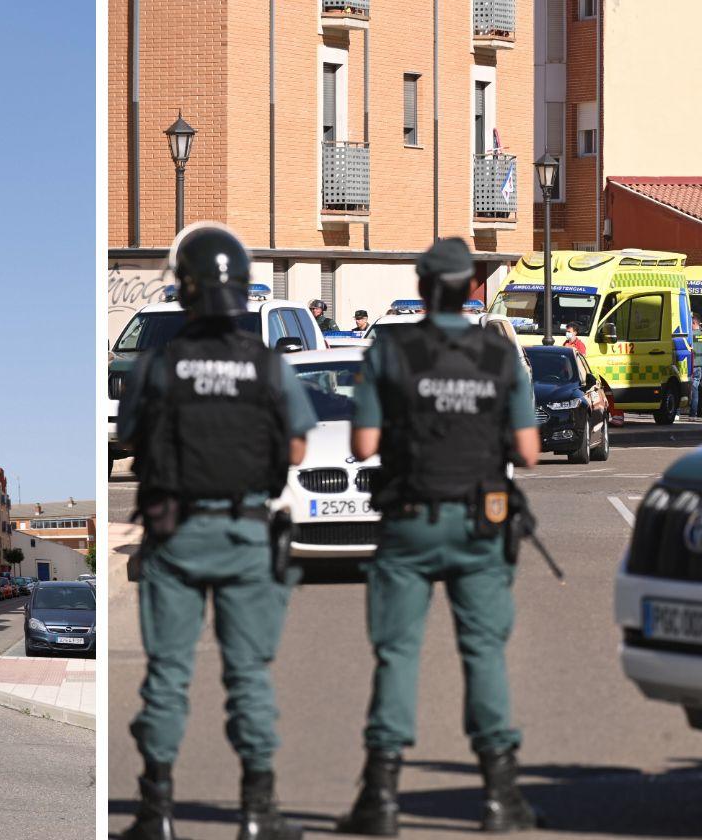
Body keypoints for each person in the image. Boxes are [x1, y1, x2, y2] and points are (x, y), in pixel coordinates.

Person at [336, 237, 541, 836]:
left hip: (408, 521)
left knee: (397, 653)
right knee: (484, 652)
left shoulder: (390, 348)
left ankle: (379, 800)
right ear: (471, 287)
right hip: (481, 523)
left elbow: (363, 446)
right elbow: (529, 452)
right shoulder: (500, 355)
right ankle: (502, 799)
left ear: (424, 287)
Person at [118, 222, 316, 840]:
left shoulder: (156, 363)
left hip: (174, 535)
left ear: (186, 290)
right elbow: (299, 447)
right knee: (249, 674)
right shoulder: (268, 366)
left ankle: (156, 814)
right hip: (246, 533)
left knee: (168, 676)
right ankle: (259, 812)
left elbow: (128, 439)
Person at [692, 314, 702, 418]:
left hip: (693, 366)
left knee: (693, 390)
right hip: (700, 366)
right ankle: (698, 412)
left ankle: (692, 413)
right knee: (698, 390)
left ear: (694, 323)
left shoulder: (689, 336)